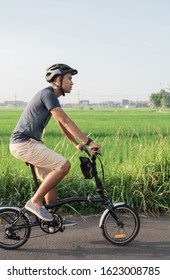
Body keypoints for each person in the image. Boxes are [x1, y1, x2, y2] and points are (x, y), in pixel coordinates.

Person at [9, 63, 101, 224]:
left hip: (28, 144)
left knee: (50, 180)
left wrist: (75, 144)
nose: (72, 83)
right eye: (69, 79)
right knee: (64, 166)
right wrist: (89, 141)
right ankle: (36, 201)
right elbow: (65, 121)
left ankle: (51, 219)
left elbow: (60, 123)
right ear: (58, 79)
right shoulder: (48, 94)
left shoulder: (49, 96)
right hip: (24, 143)